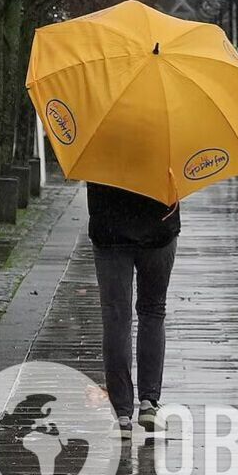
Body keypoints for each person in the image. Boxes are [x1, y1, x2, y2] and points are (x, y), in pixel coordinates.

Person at [87, 181, 180, 436]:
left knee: (116, 317)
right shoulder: (165, 150)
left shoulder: (97, 152)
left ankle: (122, 414)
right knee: (153, 312)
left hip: (110, 228)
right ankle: (149, 401)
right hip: (158, 225)